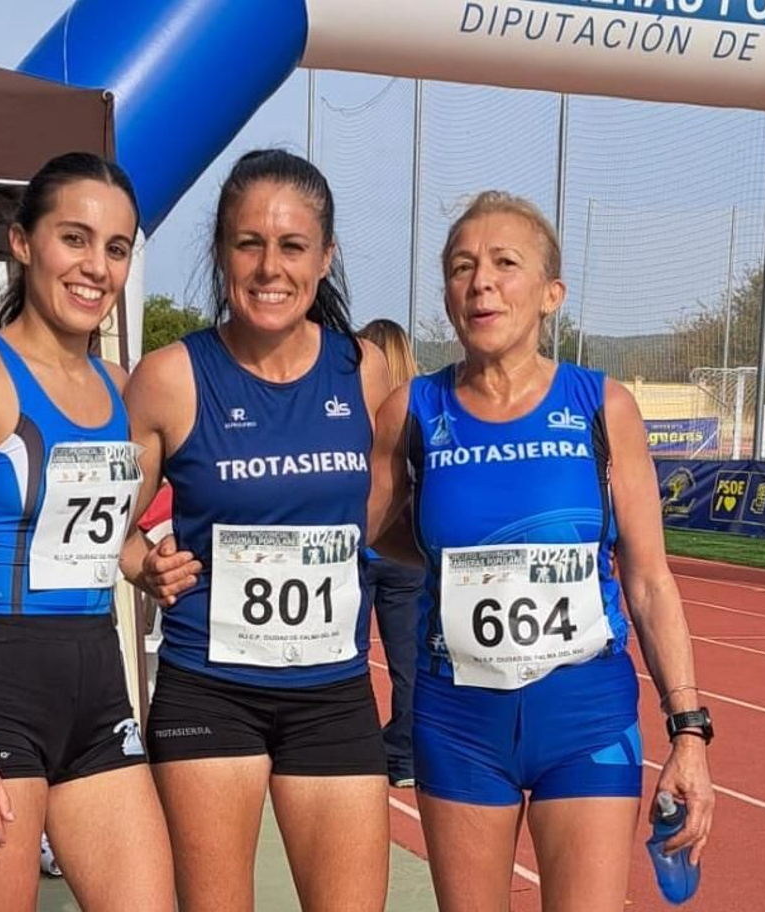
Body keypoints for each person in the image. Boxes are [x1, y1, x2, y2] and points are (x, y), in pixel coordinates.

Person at [365, 191, 715, 911]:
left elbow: (648, 581)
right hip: (459, 721)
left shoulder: (602, 406)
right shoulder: (412, 411)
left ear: (551, 293)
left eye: (504, 263)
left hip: (584, 716)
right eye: (462, 267)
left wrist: (690, 732)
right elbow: (366, 530)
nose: (481, 282)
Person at [0, 151, 173, 912]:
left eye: (116, 248)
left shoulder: (123, 389)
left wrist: (146, 564)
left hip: (96, 683)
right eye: (74, 239)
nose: (96, 267)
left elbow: (97, 536)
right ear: (23, 243)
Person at [117, 148, 395, 912]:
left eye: (292, 245)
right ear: (222, 252)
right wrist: (143, 562)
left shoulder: (364, 370)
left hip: (334, 692)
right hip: (212, 688)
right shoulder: (172, 376)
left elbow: (389, 514)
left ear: (326, 257)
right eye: (250, 243)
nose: (270, 267)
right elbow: (105, 522)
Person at [354, 317, 426, 787]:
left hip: (361, 550)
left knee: (348, 657)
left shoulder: (353, 410)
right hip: (405, 554)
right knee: (409, 664)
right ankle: (403, 756)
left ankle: (353, 751)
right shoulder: (419, 410)